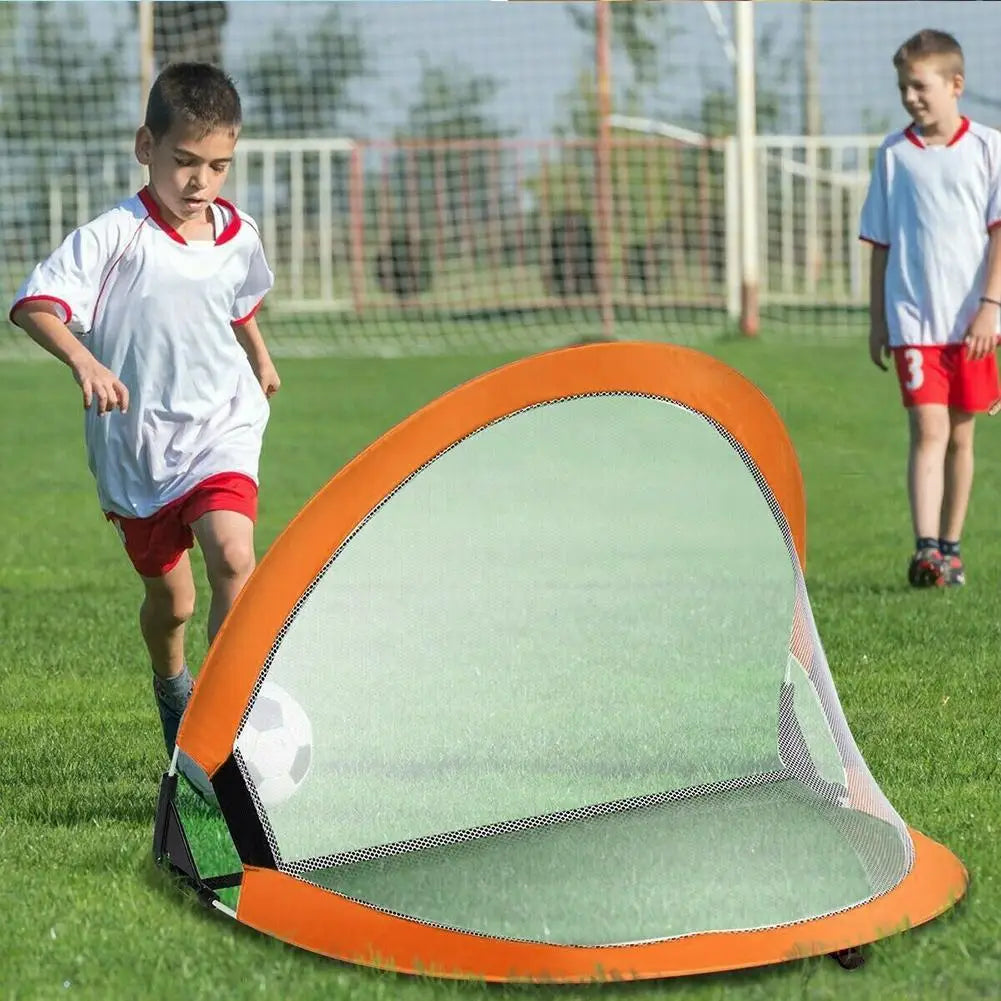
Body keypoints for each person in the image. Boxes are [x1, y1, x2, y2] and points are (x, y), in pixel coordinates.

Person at [8, 62, 280, 753]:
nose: (200, 182)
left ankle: (226, 735)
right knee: (173, 605)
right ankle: (174, 690)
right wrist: (85, 359)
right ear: (146, 147)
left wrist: (259, 353)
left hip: (221, 423)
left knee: (233, 554)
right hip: (138, 448)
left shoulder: (236, 232)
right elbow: (35, 304)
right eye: (185, 161)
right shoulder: (115, 234)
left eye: (218, 166)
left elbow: (237, 300)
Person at [860, 28, 1001, 588]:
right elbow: (880, 242)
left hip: (973, 324)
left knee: (961, 436)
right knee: (928, 429)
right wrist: (878, 319)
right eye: (903, 88)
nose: (910, 98)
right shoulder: (894, 156)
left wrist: (991, 307)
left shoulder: (989, 148)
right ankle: (924, 552)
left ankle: (951, 546)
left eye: (919, 86)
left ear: (955, 85)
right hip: (913, 320)